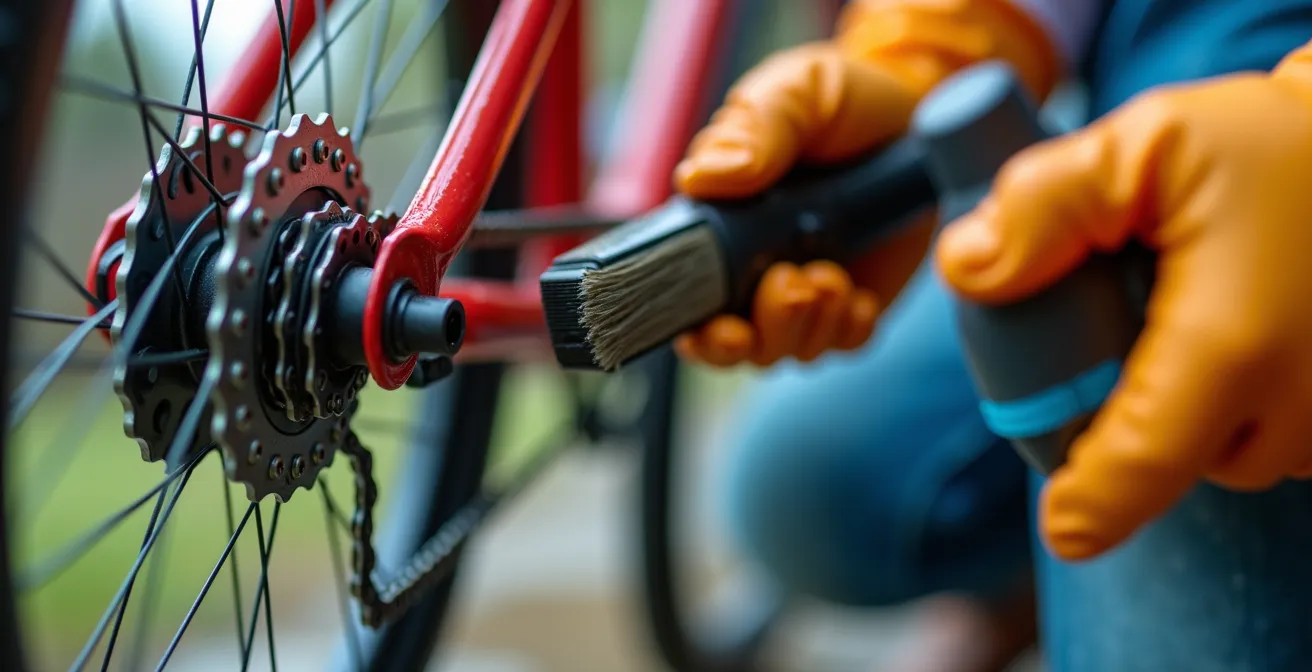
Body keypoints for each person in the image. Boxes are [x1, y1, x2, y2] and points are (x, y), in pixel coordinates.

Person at [674, 1, 1312, 670]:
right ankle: (1021, 591)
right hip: (1145, 60)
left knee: (1186, 404)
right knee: (806, 483)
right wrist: (926, 55)